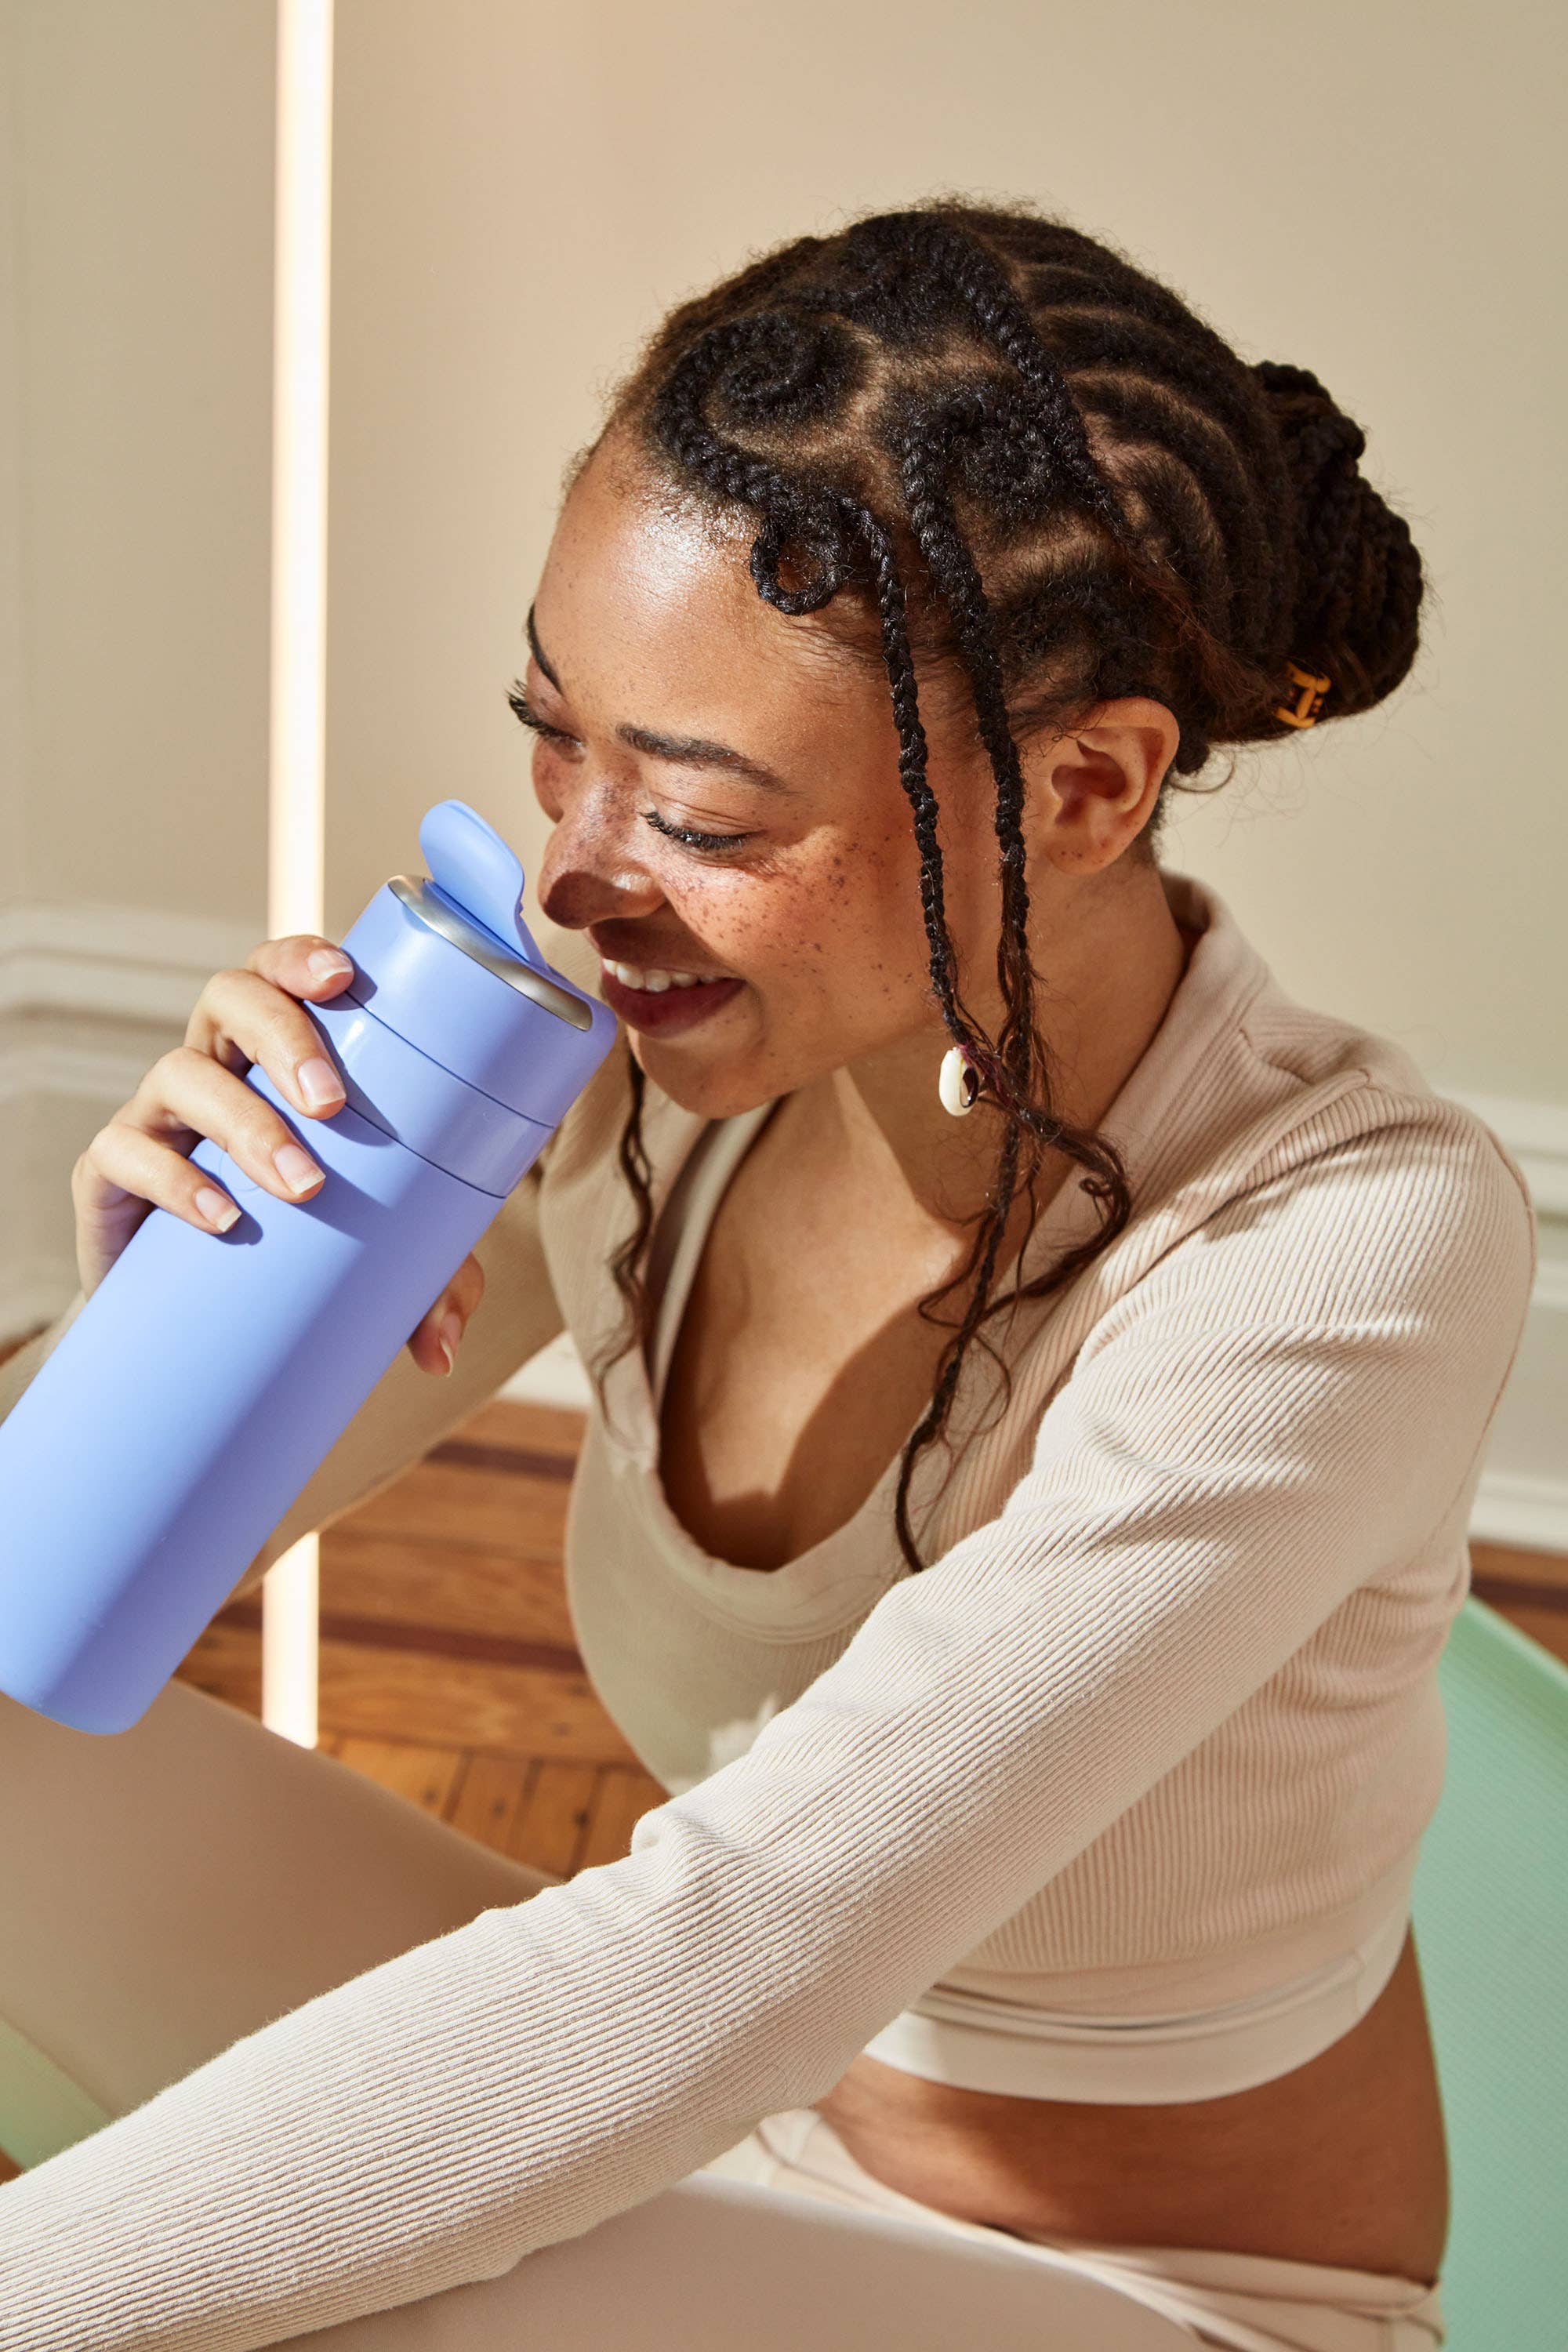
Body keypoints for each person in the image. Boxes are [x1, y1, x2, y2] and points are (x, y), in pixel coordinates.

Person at [0, 201, 1536, 2350]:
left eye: (707, 822)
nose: (574, 872)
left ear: (1086, 788)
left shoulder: (1341, 1246)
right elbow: (39, 1605)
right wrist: (152, 1314)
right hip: (732, 2155)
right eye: (560, 731)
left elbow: (723, 1954)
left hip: (1139, 2297)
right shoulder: (634, 1064)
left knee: (315, 2300)